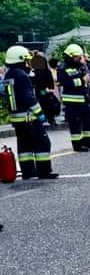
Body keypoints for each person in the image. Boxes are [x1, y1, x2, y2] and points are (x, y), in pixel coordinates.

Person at [2, 45, 58, 179]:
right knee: (42, 143)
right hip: (29, 118)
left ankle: (28, 172)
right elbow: (28, 97)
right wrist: (40, 114)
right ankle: (44, 172)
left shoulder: (9, 74)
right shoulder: (21, 75)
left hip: (17, 119)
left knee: (24, 146)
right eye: (27, 60)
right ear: (21, 60)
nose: (29, 63)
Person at [58, 44, 90, 152]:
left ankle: (89, 142)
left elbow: (85, 76)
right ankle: (78, 145)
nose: (79, 58)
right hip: (72, 101)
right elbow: (65, 82)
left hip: (82, 99)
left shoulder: (79, 66)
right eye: (77, 57)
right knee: (75, 124)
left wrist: (86, 73)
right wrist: (82, 81)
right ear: (70, 56)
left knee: (89, 120)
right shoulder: (63, 68)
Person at [29, 51, 60, 128]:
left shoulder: (44, 71)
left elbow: (49, 80)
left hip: (44, 90)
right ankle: (48, 119)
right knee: (44, 105)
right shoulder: (36, 71)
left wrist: (50, 88)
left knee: (48, 104)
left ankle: (50, 119)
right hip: (41, 90)